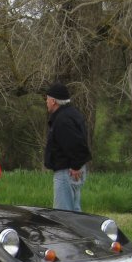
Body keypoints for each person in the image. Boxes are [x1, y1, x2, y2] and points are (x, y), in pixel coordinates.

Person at [43, 82, 91, 212]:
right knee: (74, 212)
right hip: (71, 170)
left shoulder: (63, 119)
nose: (46, 102)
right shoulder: (71, 114)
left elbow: (76, 144)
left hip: (67, 171)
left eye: (47, 99)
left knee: (63, 215)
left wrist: (76, 166)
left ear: (53, 101)